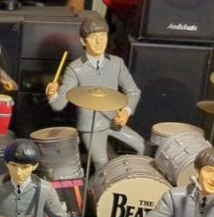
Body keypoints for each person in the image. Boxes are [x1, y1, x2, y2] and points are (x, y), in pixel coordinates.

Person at [46, 15, 144, 171]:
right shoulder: (75, 68)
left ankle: (130, 178)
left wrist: (126, 112)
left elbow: (133, 91)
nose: (99, 41)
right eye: (93, 37)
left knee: (142, 147)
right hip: (90, 127)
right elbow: (59, 105)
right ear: (83, 41)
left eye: (103, 36)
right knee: (101, 163)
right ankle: (101, 184)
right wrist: (52, 94)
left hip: (113, 121)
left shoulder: (117, 63)